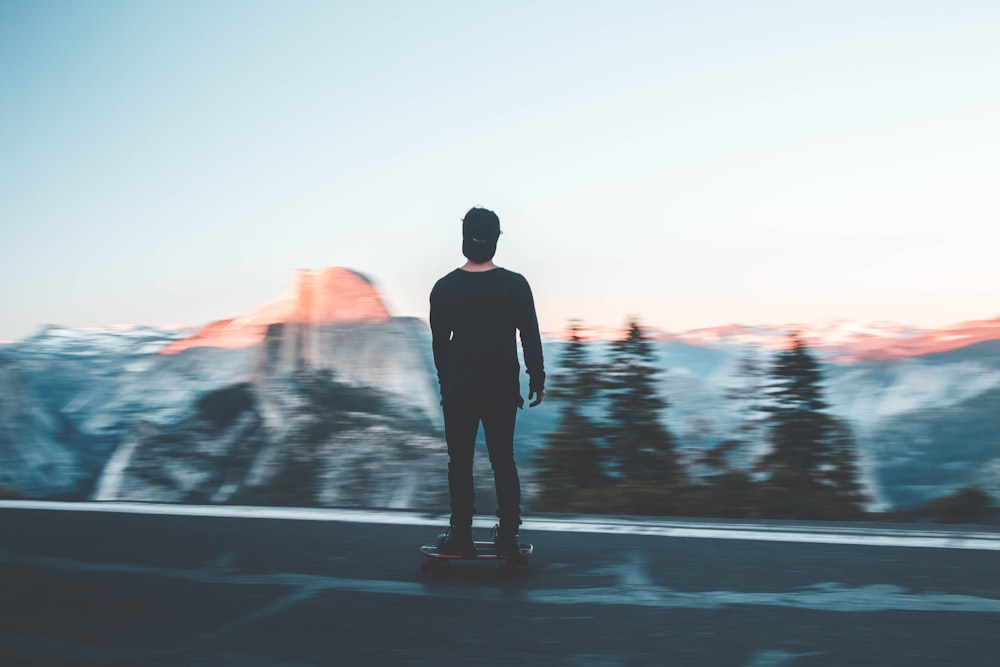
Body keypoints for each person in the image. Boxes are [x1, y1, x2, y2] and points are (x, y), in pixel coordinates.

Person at [429, 207, 546, 557]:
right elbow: (530, 336)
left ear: (464, 237)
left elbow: (439, 344)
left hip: (460, 389)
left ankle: (460, 533)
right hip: (500, 388)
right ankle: (508, 534)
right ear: (495, 240)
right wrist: (536, 377)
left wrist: (445, 382)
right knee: (503, 460)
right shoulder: (515, 285)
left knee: (459, 461)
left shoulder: (443, 288)